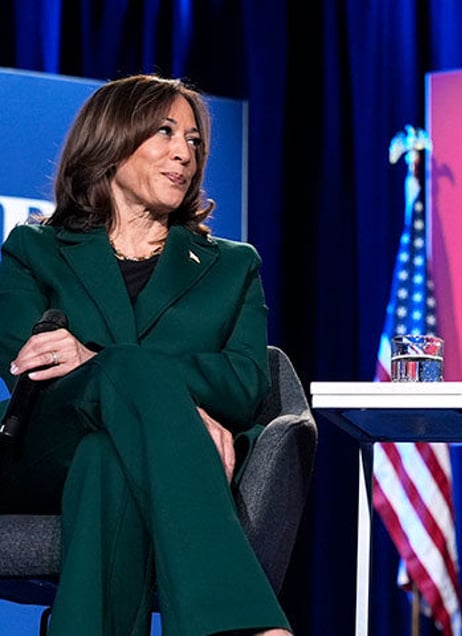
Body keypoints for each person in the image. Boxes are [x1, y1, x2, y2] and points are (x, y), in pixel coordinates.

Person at [0, 75, 293, 635]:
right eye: (164, 133)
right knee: (125, 370)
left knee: (107, 461)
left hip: (116, 462)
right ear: (111, 140)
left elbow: (246, 381)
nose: (184, 152)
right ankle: (240, 624)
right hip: (40, 456)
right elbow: (26, 361)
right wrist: (176, 411)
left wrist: (146, 404)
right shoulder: (34, 249)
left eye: (194, 140)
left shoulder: (232, 267)